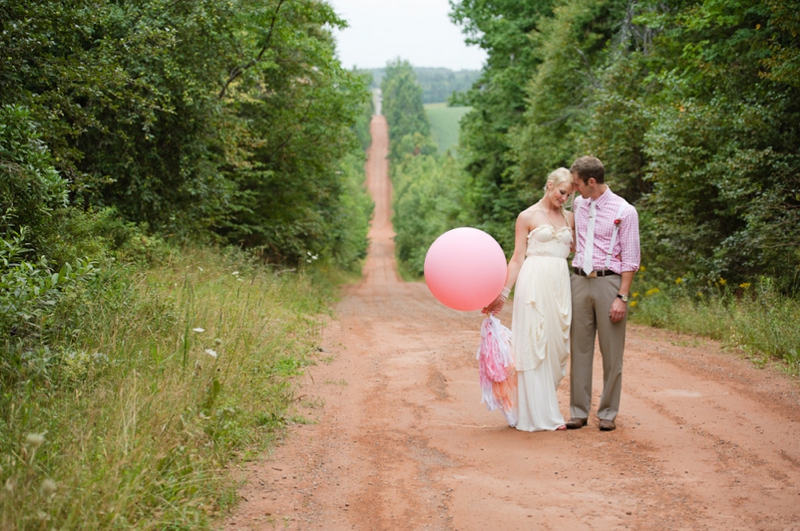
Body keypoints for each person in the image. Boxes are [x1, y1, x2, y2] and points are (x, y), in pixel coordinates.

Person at [484, 168, 574, 432]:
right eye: (561, 192)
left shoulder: (570, 218)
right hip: (534, 282)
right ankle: (539, 416)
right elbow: (517, 258)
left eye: (568, 194)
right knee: (535, 343)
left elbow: (581, 250)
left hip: (560, 282)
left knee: (556, 346)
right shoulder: (527, 216)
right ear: (549, 185)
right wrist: (502, 294)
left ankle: (547, 408)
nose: (564, 198)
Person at [566, 156, 640, 432]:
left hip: (609, 282)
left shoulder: (625, 210)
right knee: (580, 349)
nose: (574, 189)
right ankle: (578, 411)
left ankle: (608, 412)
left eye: (577, 184)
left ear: (591, 182)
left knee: (612, 352)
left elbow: (631, 259)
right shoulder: (578, 204)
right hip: (578, 281)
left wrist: (622, 297)